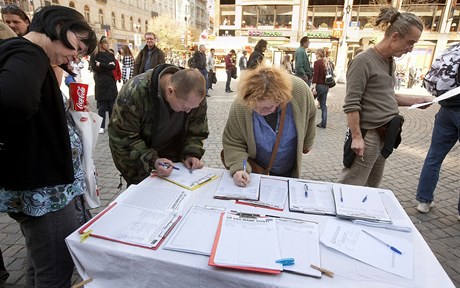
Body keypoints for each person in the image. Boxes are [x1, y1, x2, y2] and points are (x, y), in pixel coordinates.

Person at [0, 5, 97, 287]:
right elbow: (15, 101)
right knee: (54, 272)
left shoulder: (27, 54)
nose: (76, 55)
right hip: (46, 191)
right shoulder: (29, 52)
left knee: (39, 264)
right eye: (78, 44)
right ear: (58, 28)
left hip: (39, 188)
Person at [338, 7, 434, 188]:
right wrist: (357, 137)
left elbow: (386, 96)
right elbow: (351, 104)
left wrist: (415, 101)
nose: (411, 49)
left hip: (385, 134)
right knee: (351, 185)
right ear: (395, 36)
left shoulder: (390, 61)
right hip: (368, 135)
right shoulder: (363, 61)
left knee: (372, 186)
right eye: (410, 43)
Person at [108, 64, 209, 186]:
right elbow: (123, 138)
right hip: (140, 163)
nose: (188, 111)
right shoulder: (135, 92)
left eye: (192, 108)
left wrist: (191, 154)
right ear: (170, 91)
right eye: (184, 107)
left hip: (175, 165)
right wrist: (153, 160)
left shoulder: (194, 96)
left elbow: (197, 131)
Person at [222, 66, 316, 187]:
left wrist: (307, 142)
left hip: (288, 167)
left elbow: (311, 114)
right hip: (256, 171)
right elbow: (233, 141)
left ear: (281, 99)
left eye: (267, 108)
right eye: (255, 107)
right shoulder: (241, 104)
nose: (261, 112)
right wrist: (239, 168)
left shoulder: (299, 91)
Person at [415, 45, 460, 215]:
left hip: (446, 109)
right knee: (434, 156)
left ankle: (424, 201)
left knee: (434, 156)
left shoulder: (453, 49)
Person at [90, 36, 118, 134]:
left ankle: (112, 125)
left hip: (110, 82)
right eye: (106, 43)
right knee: (102, 107)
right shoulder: (95, 55)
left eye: (108, 43)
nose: (107, 45)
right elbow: (94, 67)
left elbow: (113, 66)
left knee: (111, 106)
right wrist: (106, 65)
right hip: (100, 82)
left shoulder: (110, 54)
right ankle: (101, 126)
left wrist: (101, 65)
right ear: (101, 44)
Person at [312, 48, 329, 129]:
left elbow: (316, 76)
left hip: (319, 86)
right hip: (326, 86)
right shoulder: (326, 62)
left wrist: (314, 87)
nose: (315, 55)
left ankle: (306, 121)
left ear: (318, 54)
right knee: (323, 105)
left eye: (316, 53)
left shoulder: (317, 63)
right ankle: (323, 123)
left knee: (310, 102)